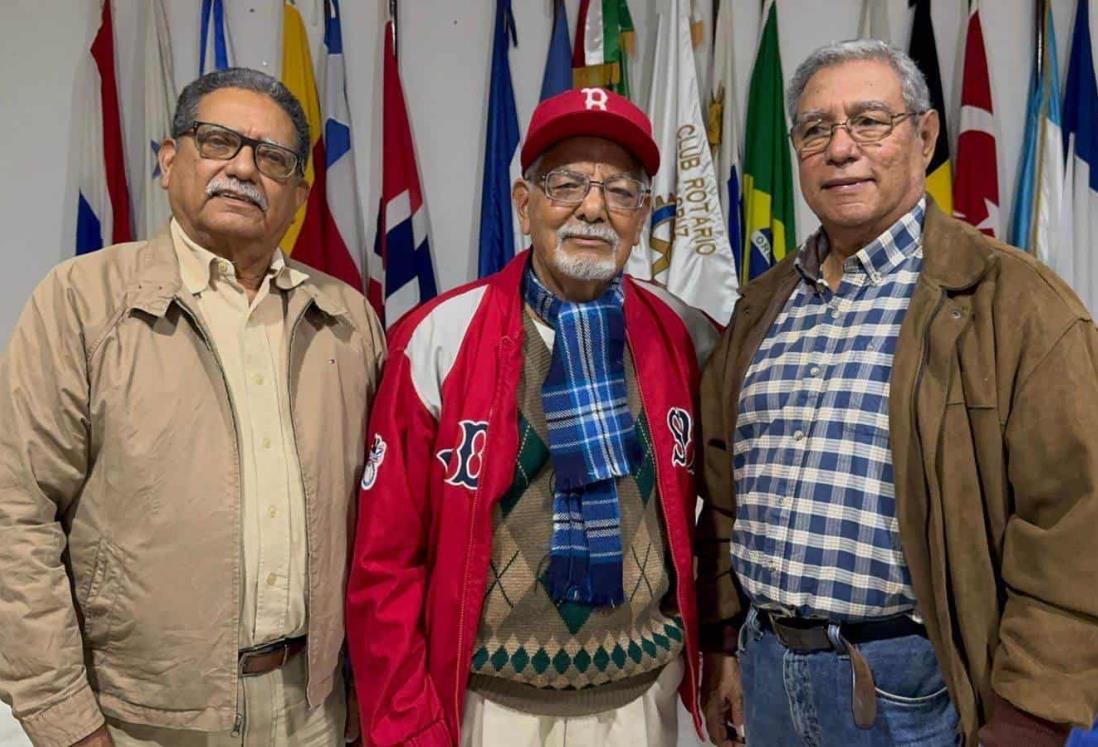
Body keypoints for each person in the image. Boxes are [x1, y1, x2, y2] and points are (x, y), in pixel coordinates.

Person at [696, 39, 1098, 747]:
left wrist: (1029, 719)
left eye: (870, 120)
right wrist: (725, 643)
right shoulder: (761, 306)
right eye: (816, 128)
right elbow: (725, 491)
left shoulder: (1017, 305)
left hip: (915, 688)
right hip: (764, 674)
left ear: (925, 135)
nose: (841, 148)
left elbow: (1074, 523)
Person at [0, 67, 385, 746]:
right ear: (169, 161)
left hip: (317, 710)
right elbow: (15, 516)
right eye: (218, 142)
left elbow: (386, 520)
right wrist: (66, 719)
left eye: (272, 158)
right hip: (139, 719)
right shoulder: (82, 302)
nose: (242, 168)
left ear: (298, 193)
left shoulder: (347, 318)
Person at [346, 87, 717, 747]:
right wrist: (408, 729)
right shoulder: (437, 338)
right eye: (565, 183)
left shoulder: (688, 335)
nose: (593, 208)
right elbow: (385, 564)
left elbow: (720, 518)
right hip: (487, 710)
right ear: (524, 204)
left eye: (620, 190)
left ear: (644, 213)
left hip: (643, 707)